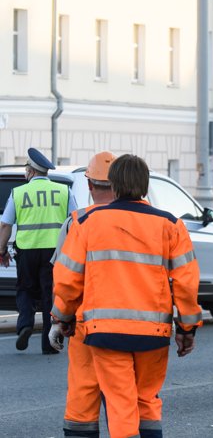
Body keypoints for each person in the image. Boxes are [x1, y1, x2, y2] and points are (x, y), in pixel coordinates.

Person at [52, 154, 202, 438]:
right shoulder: (170, 225)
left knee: (121, 404)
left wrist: (62, 318)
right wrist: (187, 329)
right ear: (145, 187)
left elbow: (67, 279)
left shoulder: (87, 223)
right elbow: (186, 284)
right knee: (147, 402)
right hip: (154, 333)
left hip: (106, 333)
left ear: (115, 186)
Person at [49, 151, 115, 438]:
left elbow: (65, 280)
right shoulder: (148, 221)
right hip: (134, 329)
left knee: (82, 401)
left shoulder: (76, 223)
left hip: (85, 326)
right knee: (123, 402)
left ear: (89, 186)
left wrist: (58, 320)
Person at [0, 148, 77, 353]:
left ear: (31, 171)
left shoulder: (19, 192)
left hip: (27, 250)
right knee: (48, 295)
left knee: (24, 288)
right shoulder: (63, 191)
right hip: (54, 253)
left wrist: (2, 251)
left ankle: (25, 324)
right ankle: (48, 345)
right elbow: (75, 222)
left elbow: (5, 225)